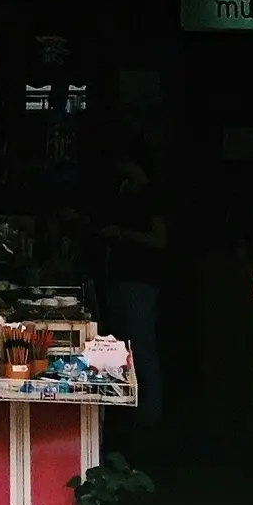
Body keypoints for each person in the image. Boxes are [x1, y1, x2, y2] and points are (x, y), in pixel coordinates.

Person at [97, 146, 167, 445]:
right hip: (120, 277)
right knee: (124, 346)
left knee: (142, 346)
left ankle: (149, 413)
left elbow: (161, 239)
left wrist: (121, 235)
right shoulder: (125, 191)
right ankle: (128, 409)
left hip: (141, 279)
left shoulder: (151, 195)